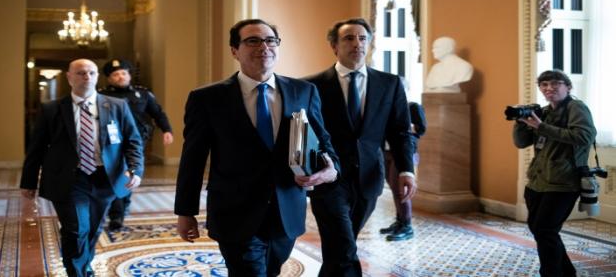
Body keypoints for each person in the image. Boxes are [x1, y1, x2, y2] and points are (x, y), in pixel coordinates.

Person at [174, 18, 340, 276]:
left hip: (286, 211)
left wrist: (331, 170)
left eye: (270, 40)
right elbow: (192, 159)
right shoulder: (207, 98)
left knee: (271, 271)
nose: (263, 46)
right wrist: (186, 211)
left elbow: (322, 141)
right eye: (252, 40)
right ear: (234, 51)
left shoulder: (303, 91)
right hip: (234, 212)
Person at [305, 18, 417, 276]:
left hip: (369, 177)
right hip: (328, 178)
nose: (357, 43)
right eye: (349, 38)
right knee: (343, 245)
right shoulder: (312, 85)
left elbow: (400, 132)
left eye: (362, 38)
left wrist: (406, 170)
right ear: (334, 46)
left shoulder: (390, 83)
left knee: (341, 245)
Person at [20, 58, 144, 277]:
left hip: (104, 178)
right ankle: (77, 272)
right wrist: (29, 181)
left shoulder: (116, 106)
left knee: (94, 228)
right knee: (76, 229)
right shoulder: (52, 109)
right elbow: (36, 148)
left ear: (97, 76)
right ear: (69, 77)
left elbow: (132, 141)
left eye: (92, 72)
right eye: (80, 73)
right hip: (69, 179)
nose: (87, 77)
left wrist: (135, 169)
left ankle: (84, 265)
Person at [512, 69, 596, 277]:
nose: (549, 88)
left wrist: (542, 127)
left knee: (545, 230)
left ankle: (551, 274)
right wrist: (520, 122)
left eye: (556, 83)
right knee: (540, 229)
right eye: (544, 85)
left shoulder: (576, 107)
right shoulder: (543, 111)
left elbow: (584, 136)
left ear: (568, 87)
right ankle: (566, 272)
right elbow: (521, 143)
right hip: (538, 181)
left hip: (563, 182)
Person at [100, 58, 174, 230]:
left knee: (130, 173)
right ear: (109, 78)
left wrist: (167, 131)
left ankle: (123, 203)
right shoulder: (102, 95)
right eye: (116, 74)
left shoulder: (143, 94)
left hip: (137, 141)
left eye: (123, 73)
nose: (120, 77)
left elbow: (158, 113)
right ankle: (116, 214)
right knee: (117, 174)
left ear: (129, 75)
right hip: (113, 143)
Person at [379, 98, 426, 241]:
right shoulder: (385, 106)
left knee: (401, 189)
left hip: (402, 153)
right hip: (386, 151)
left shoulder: (413, 107)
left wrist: (408, 129)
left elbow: (421, 128)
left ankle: (407, 226)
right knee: (394, 188)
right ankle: (399, 221)